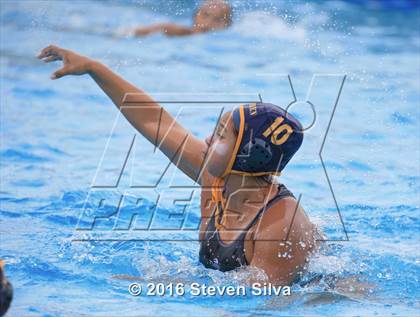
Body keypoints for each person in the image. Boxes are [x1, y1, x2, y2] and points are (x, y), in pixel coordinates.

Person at [37, 45, 322, 285]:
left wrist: (162, 286)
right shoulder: (219, 178)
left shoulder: (279, 229)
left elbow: (267, 306)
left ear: (247, 155)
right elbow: (154, 121)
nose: (208, 139)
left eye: (222, 135)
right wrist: (94, 68)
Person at [130, 0, 232, 37]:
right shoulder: (176, 31)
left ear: (227, 25)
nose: (208, 23)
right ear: (195, 16)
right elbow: (130, 33)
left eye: (218, 19)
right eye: (205, 15)